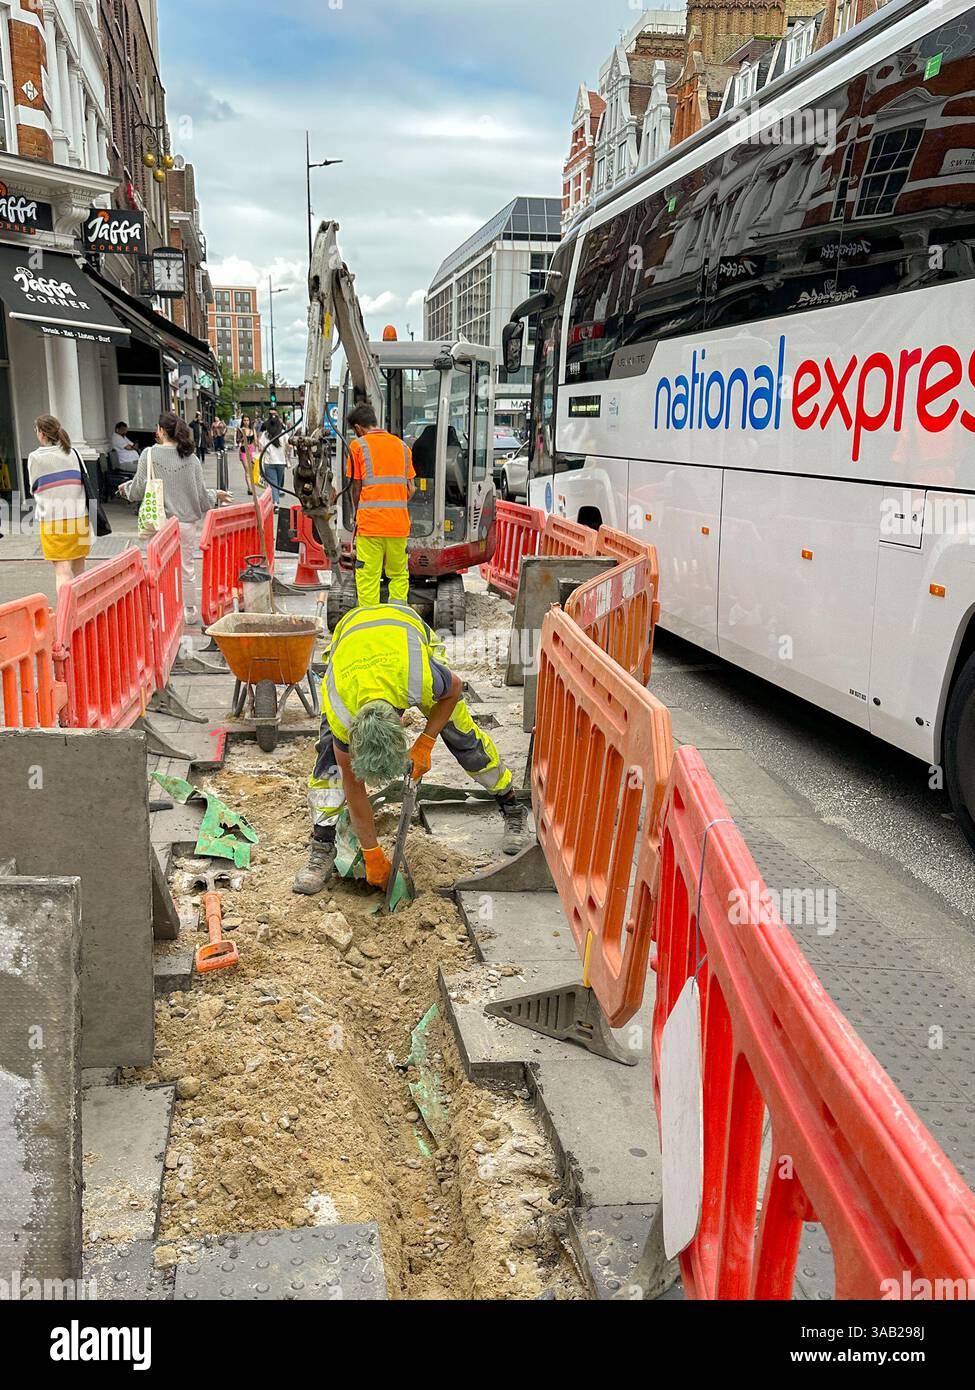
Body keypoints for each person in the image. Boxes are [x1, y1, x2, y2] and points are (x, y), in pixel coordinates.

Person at [294, 602, 529, 894]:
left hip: (403, 633)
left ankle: (512, 806)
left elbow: (454, 690)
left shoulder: (419, 677)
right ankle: (322, 843)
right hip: (351, 637)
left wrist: (426, 741)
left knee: (462, 736)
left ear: (401, 720)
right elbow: (354, 787)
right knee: (329, 766)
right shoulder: (340, 711)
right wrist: (372, 853)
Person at [121, 411, 231, 625]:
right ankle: (189, 611)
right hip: (186, 523)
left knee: (160, 569)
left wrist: (125, 489)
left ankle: (163, 611)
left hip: (160, 524)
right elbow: (200, 495)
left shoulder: (149, 455)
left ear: (161, 431)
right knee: (186, 567)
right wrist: (215, 494)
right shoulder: (191, 458)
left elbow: (137, 491)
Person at [346, 403, 416, 608]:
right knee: (399, 575)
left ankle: (369, 623)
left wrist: (357, 514)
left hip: (371, 526)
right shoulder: (403, 447)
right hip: (398, 526)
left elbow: (355, 488)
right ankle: (398, 616)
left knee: (368, 576)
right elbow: (410, 489)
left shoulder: (358, 446)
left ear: (358, 428)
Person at [28, 414, 91, 593]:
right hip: (80, 517)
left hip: (53, 520)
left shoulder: (35, 457)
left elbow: (34, 486)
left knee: (62, 571)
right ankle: (82, 613)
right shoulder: (74, 452)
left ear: (42, 434)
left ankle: (68, 616)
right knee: (79, 570)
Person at [259, 408, 289, 506]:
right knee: (277, 484)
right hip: (281, 462)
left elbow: (260, 447)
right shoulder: (283, 433)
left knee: (273, 484)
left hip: (269, 462)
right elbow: (289, 445)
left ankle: (275, 502)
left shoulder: (265, 434)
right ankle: (275, 501)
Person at [236, 414, 257, 487]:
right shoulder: (240, 430)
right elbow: (237, 441)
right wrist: (242, 438)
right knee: (247, 469)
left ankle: (252, 485)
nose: (246, 422)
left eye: (247, 420)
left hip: (252, 449)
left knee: (252, 469)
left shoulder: (252, 430)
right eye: (244, 420)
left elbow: (256, 441)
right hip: (243, 449)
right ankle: (249, 488)